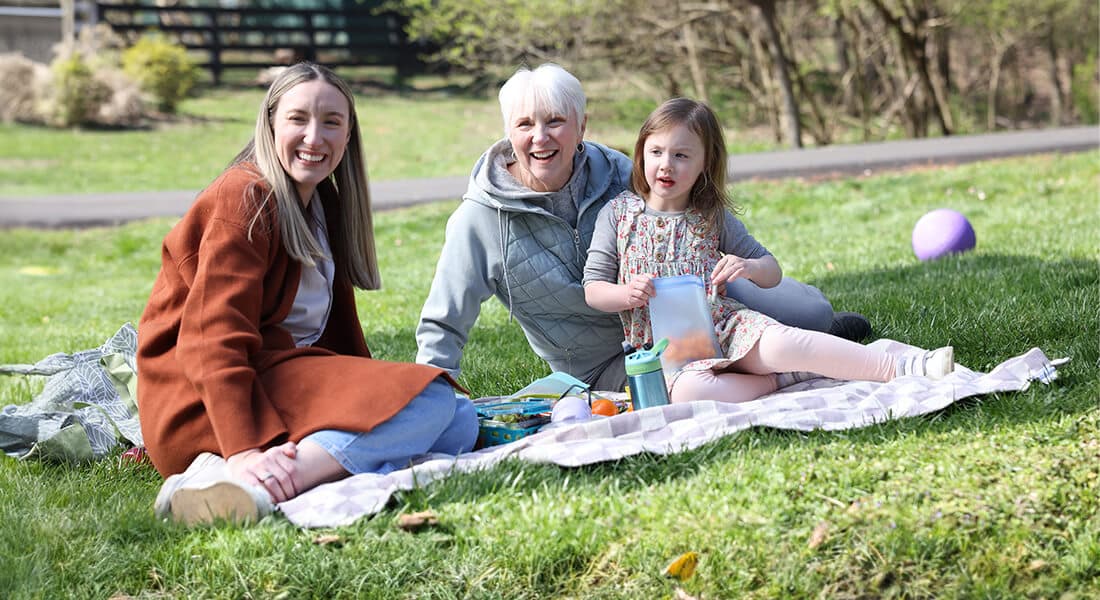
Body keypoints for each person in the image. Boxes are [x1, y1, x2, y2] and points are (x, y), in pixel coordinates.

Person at [137, 63, 478, 526]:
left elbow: (336, 337)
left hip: (278, 374)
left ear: (349, 133)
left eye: (331, 122)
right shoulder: (245, 198)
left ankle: (235, 477)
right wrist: (242, 449)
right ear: (271, 122)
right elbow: (209, 339)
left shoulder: (324, 201)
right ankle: (252, 485)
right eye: (298, 119)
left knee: (458, 417)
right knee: (429, 402)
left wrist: (377, 391)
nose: (314, 137)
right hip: (202, 402)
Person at [415, 63, 870, 393]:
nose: (541, 137)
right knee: (701, 384)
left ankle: (819, 330)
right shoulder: (479, 220)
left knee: (810, 316)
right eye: (525, 125)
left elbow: (694, 205)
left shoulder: (617, 170)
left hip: (698, 305)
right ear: (507, 133)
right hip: (610, 359)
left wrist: (741, 264)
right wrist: (429, 397)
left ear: (581, 126)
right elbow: (443, 321)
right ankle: (791, 364)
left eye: (556, 121)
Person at [583, 97, 954, 403]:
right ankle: (790, 377)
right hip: (666, 351)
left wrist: (747, 267)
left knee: (781, 342)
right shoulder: (618, 215)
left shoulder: (711, 217)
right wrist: (625, 294)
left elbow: (770, 269)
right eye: (657, 152)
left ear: (703, 166)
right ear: (641, 154)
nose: (666, 164)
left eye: (682, 155)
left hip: (727, 325)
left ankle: (905, 366)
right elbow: (593, 289)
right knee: (690, 393)